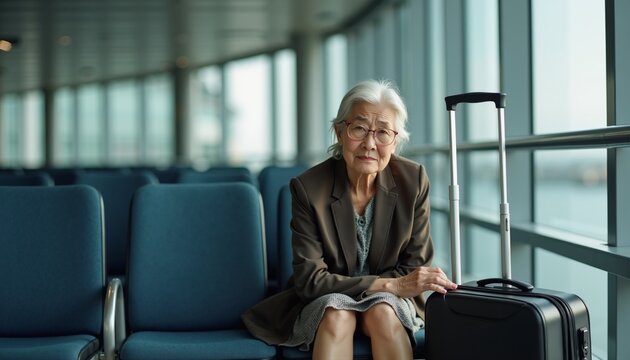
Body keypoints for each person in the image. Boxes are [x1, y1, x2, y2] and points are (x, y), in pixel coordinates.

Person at [242, 79, 457, 359]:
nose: (369, 144)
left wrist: (388, 291)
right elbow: (311, 281)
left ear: (395, 141)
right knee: (337, 313)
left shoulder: (413, 181)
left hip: (391, 301)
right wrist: (388, 284)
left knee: (382, 311)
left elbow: (414, 266)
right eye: (359, 128)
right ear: (339, 132)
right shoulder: (308, 188)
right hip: (323, 299)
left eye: (382, 133)